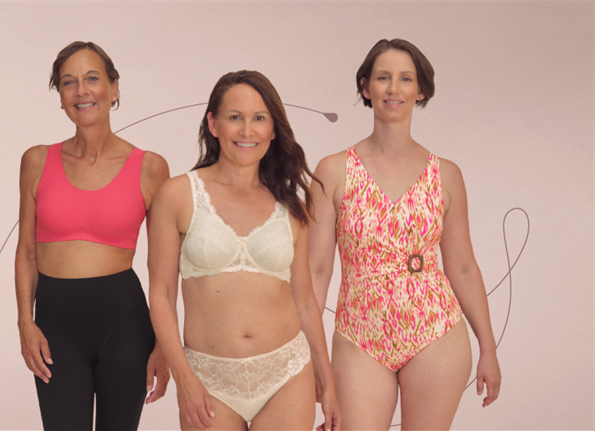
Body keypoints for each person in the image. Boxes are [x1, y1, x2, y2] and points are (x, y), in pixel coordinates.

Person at [307, 38, 502, 430]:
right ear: (366, 87)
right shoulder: (332, 171)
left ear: (421, 90)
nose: (393, 88)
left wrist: (488, 348)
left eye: (405, 78)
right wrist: (309, 354)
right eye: (383, 77)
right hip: (358, 337)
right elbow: (316, 270)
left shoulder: (446, 174)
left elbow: (462, 267)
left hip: (437, 332)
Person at [146, 71, 340, 431]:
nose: (247, 131)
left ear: (273, 130)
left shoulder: (291, 206)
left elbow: (305, 303)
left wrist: (327, 383)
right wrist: (185, 379)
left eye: (259, 119)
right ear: (213, 124)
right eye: (235, 117)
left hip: (287, 373)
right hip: (208, 378)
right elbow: (161, 294)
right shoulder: (177, 195)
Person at [14, 41, 172, 430]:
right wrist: (24, 321)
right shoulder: (36, 160)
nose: (81, 91)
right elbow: (26, 254)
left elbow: (163, 269)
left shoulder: (150, 167)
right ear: (61, 96)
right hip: (55, 324)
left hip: (125, 323)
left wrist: (164, 345)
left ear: (114, 88)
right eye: (69, 82)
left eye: (92, 79)